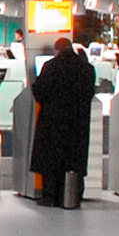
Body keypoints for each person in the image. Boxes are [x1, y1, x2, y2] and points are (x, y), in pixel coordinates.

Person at [27, 36, 97, 208]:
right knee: (74, 160)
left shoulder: (51, 66)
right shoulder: (87, 68)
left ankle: (50, 197)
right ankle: (74, 196)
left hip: (53, 120)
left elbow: (40, 91)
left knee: (51, 158)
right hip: (78, 122)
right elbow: (90, 93)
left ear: (57, 50)